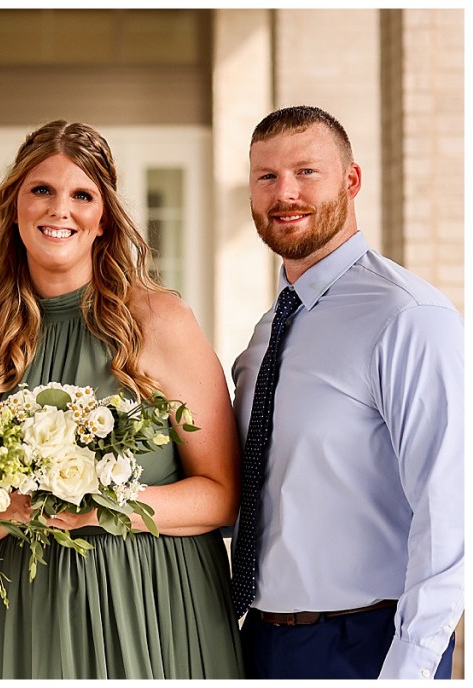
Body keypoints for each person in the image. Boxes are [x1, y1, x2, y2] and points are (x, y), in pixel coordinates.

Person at [0, 120, 244, 679]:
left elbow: (222, 495)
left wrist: (101, 507)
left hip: (154, 604)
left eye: (82, 195)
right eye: (42, 190)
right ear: (14, 207)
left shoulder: (158, 322)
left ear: (103, 217)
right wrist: (10, 510)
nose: (59, 209)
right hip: (29, 611)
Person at [230, 105, 463, 680]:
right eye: (267, 176)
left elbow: (450, 513)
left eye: (306, 172)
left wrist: (409, 668)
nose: (285, 193)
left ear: (352, 180)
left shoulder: (407, 316)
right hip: (260, 642)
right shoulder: (266, 334)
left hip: (369, 645)